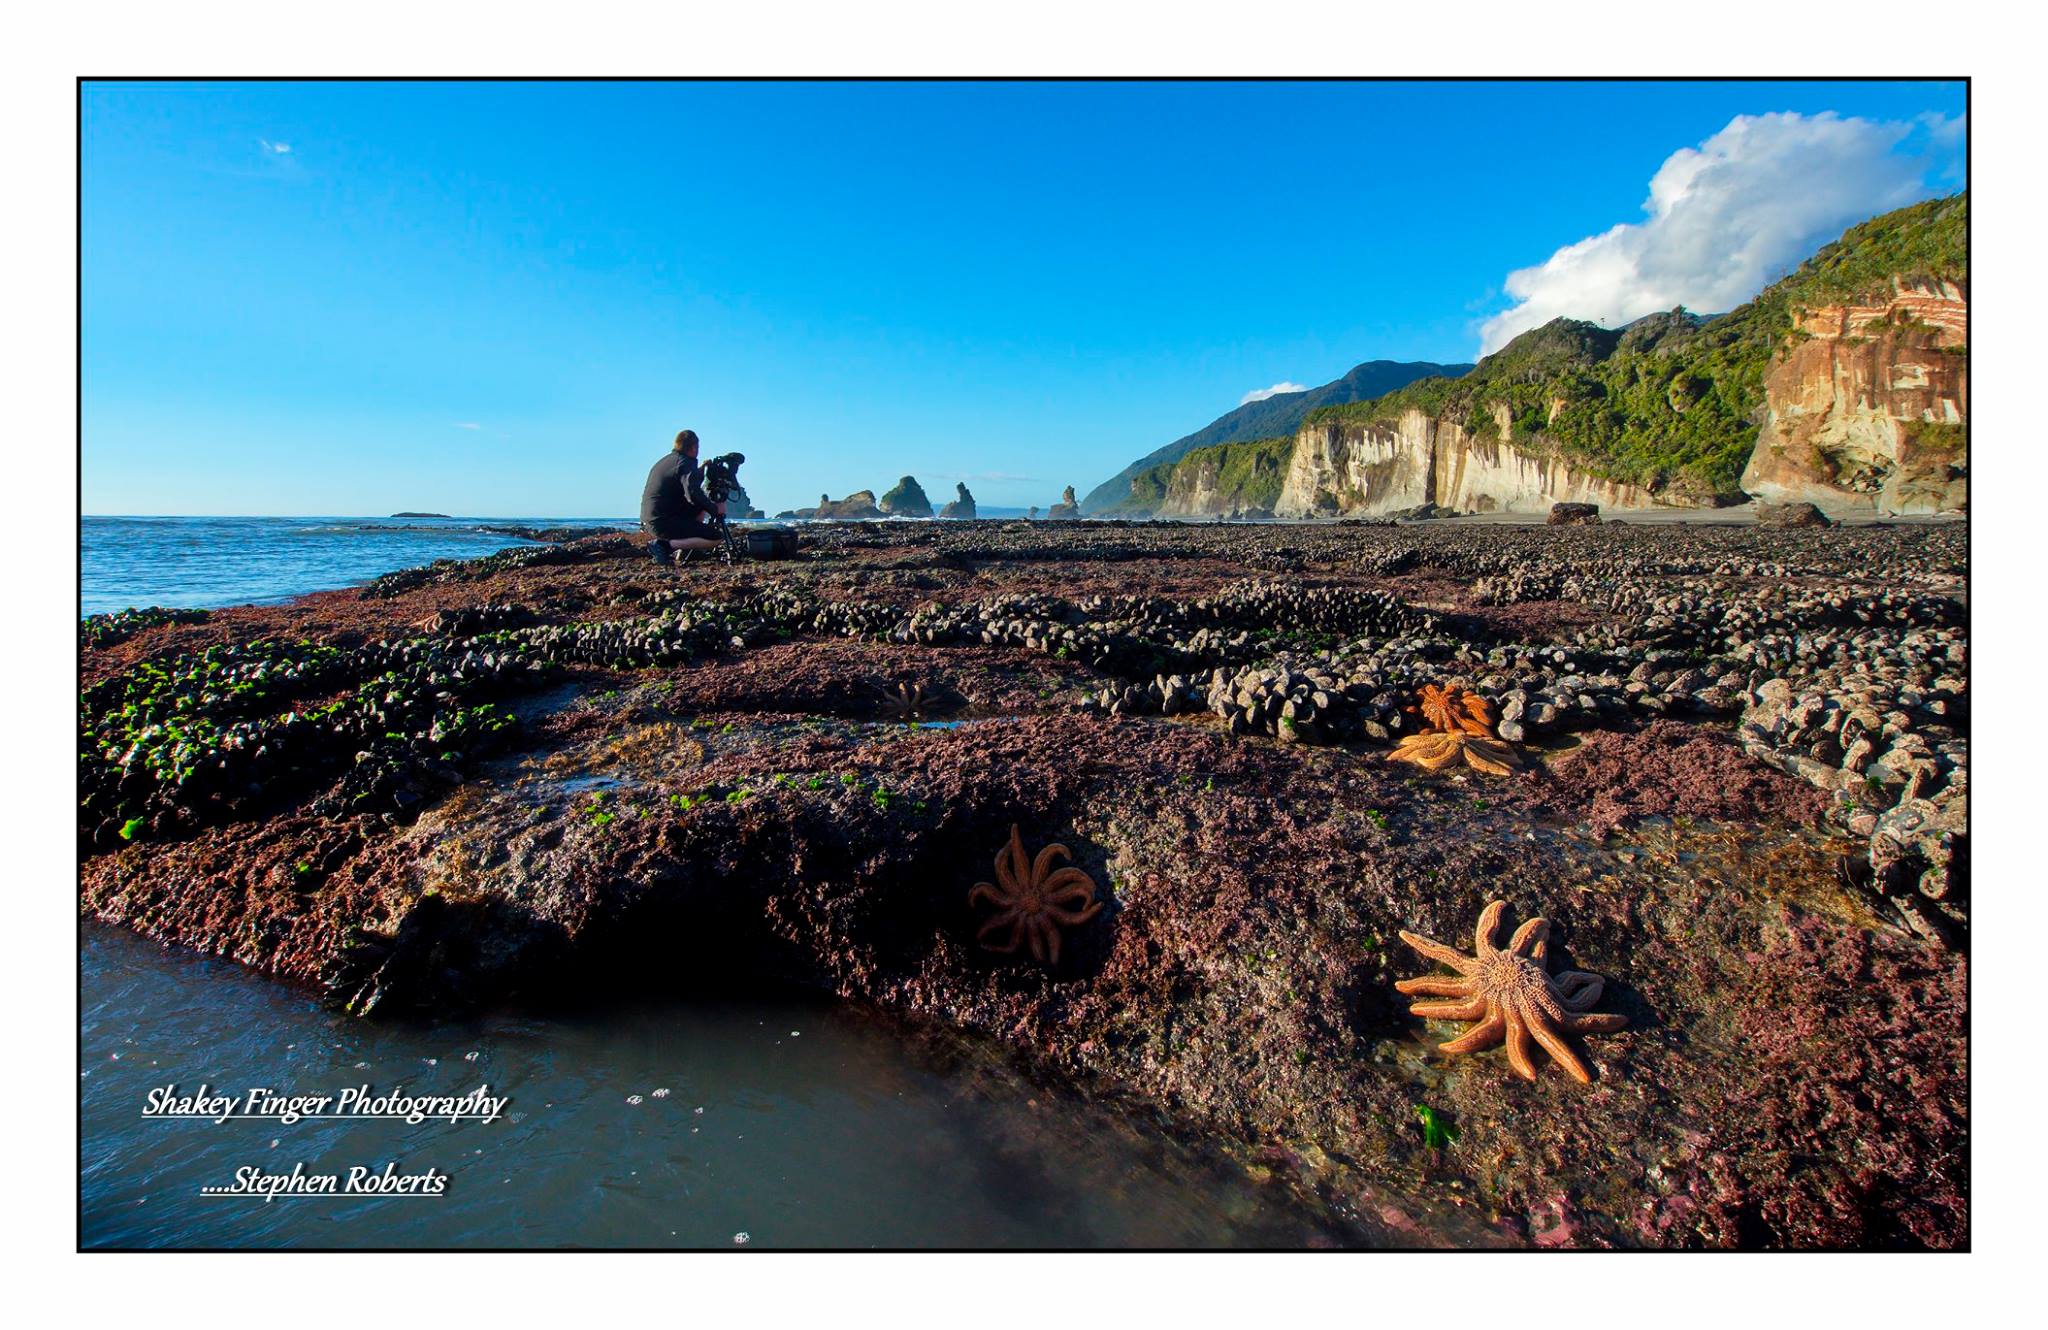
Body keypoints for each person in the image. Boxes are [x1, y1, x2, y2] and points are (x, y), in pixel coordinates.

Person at [640, 429, 726, 566]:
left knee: (699, 509)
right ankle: (663, 546)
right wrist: (715, 509)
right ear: (693, 447)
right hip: (663, 522)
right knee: (715, 537)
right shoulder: (685, 463)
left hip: (651, 518)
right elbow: (692, 494)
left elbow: (682, 488)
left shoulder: (665, 461)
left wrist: (699, 472)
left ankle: (686, 549)